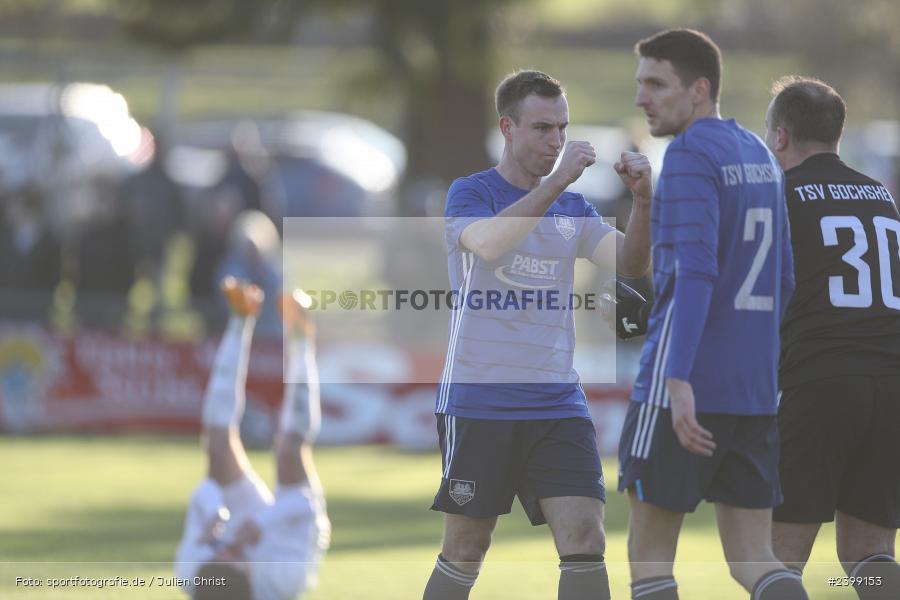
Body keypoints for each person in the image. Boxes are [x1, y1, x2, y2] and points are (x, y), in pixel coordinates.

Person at [423, 69, 652, 600]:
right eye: (543, 128)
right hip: (479, 401)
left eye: (562, 129)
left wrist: (642, 201)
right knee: (465, 547)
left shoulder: (574, 207)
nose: (556, 141)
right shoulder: (471, 192)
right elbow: (488, 244)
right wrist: (555, 184)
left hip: (557, 402)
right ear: (508, 127)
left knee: (585, 537)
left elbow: (632, 263)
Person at [615, 29, 808, 600]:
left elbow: (694, 275)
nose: (641, 98)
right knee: (756, 561)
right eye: (640, 83)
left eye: (656, 83)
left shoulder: (689, 153)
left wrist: (677, 381)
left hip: (681, 392)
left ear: (699, 90)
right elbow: (786, 280)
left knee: (650, 560)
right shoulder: (758, 152)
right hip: (750, 393)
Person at [764, 76, 900, 600]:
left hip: (820, 381)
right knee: (868, 557)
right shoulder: (880, 197)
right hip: (890, 385)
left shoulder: (782, 195)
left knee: (776, 560)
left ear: (780, 137)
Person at [175, 277, 329, 600]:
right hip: (290, 534)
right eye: (233, 556)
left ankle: (240, 317)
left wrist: (216, 510)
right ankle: (302, 341)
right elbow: (303, 504)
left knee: (217, 446)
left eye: (219, 553)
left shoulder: (193, 570)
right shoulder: (280, 583)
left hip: (247, 521)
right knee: (289, 451)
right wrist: (261, 524)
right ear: (248, 572)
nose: (226, 547)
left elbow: (204, 490)